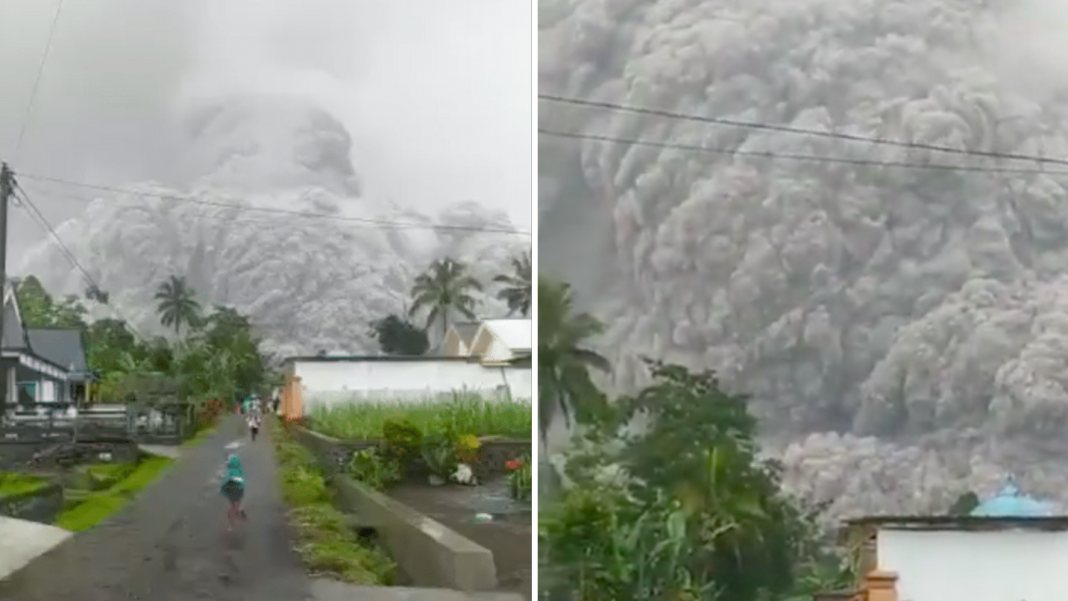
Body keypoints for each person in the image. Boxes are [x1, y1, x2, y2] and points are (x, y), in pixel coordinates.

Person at [220, 454, 247, 532]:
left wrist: (223, 492)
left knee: (231, 509)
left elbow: (224, 483)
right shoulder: (239, 471)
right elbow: (243, 483)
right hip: (239, 491)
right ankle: (240, 514)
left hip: (231, 492)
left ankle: (233, 524)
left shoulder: (228, 472)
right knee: (235, 507)